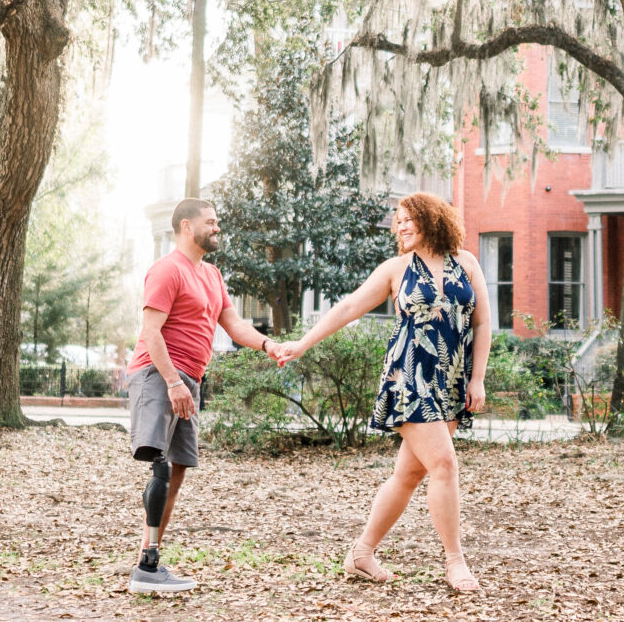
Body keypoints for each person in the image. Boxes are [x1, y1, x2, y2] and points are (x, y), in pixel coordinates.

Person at [275, 191, 490, 592]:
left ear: (432, 219)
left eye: (408, 218)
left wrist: (477, 379)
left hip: (452, 380)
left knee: (409, 474)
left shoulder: (467, 263)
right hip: (409, 378)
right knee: (444, 463)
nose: (400, 226)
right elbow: (349, 307)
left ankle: (361, 553)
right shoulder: (396, 269)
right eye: (398, 220)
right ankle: (455, 562)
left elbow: (481, 324)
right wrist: (302, 343)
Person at [124, 198, 282, 595]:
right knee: (159, 464)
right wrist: (173, 383)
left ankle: (148, 559)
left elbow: (233, 324)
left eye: (217, 222)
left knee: (177, 469)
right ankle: (147, 566)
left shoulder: (211, 275)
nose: (217, 228)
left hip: (188, 380)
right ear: (185, 226)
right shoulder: (166, 270)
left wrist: (269, 346)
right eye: (210, 222)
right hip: (158, 376)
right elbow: (151, 332)